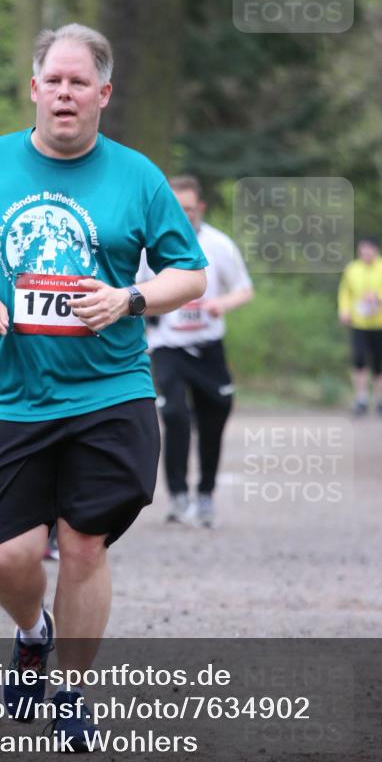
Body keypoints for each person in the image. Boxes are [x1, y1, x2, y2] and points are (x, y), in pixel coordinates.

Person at [0, 23, 207, 749]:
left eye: (78, 82)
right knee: (9, 557)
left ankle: (72, 693)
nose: (63, 92)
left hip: (110, 390)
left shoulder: (137, 177)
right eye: (52, 80)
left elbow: (190, 273)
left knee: (84, 546)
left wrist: (130, 299)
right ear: (33, 88)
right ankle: (33, 632)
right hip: (14, 394)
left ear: (103, 94)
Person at [139, 176, 253, 527]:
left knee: (214, 416)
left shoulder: (219, 245)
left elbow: (244, 289)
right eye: (176, 208)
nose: (182, 214)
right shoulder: (149, 246)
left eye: (188, 209)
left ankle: (205, 493)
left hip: (208, 348)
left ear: (200, 208)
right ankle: (178, 495)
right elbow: (133, 291)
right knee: (174, 415)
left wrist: (221, 304)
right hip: (167, 347)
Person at [338, 236, 382, 416]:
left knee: (378, 362)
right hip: (359, 323)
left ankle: (380, 399)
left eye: (369, 250)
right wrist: (344, 310)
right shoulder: (352, 269)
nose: (365, 253)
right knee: (359, 359)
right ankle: (361, 399)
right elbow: (345, 292)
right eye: (362, 250)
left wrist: (379, 297)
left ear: (377, 250)